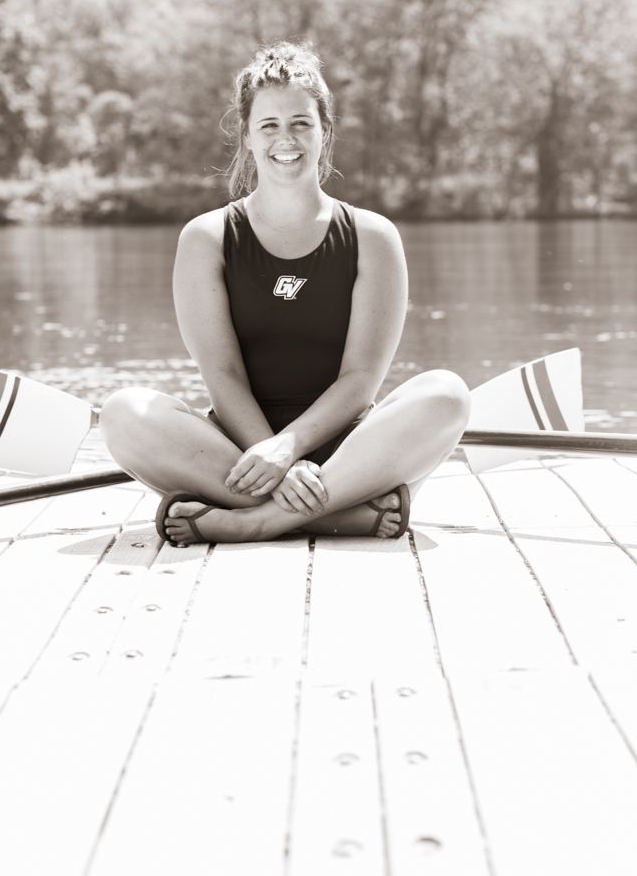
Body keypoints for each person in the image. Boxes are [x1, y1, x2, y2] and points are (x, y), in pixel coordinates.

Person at [99, 42, 470, 547]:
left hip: (349, 454)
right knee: (122, 413)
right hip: (239, 456)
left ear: (325, 131)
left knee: (447, 394)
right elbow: (223, 374)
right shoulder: (206, 238)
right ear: (247, 136)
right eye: (269, 125)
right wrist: (271, 456)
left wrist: (290, 447)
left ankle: (255, 522)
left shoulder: (373, 237)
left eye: (301, 123)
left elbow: (361, 380)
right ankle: (339, 514)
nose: (286, 139)